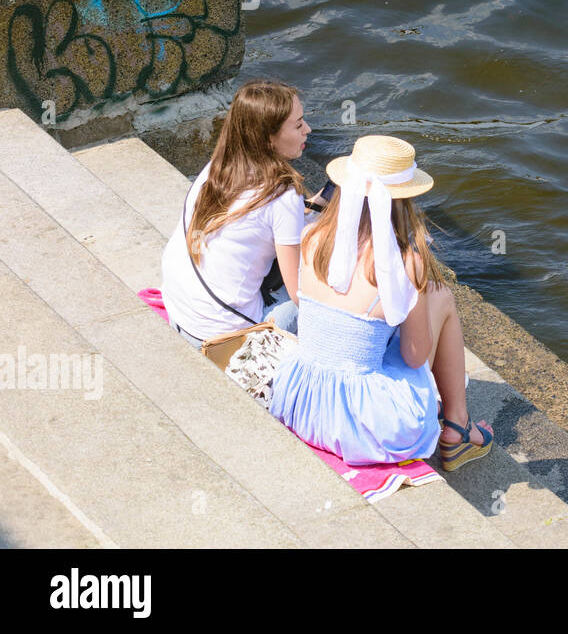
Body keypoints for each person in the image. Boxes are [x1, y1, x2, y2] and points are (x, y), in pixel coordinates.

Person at [268, 135, 494, 471]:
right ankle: (458, 427)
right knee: (442, 296)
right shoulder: (405, 263)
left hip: (302, 403)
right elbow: (415, 356)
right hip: (361, 425)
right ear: (403, 200)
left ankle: (458, 426)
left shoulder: (311, 237)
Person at [161, 79, 312, 348]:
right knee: (335, 300)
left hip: (181, 313)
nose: (307, 130)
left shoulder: (218, 167)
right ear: (268, 138)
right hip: (225, 338)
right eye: (298, 124)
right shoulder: (282, 195)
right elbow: (300, 293)